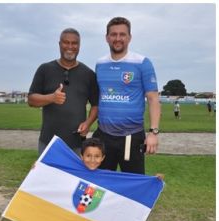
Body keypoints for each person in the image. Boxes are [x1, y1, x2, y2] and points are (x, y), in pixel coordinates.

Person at [94, 17, 160, 174]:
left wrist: (153, 133)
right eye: (113, 34)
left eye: (122, 34)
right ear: (107, 38)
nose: (118, 38)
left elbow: (153, 99)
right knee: (100, 185)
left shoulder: (143, 62)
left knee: (132, 186)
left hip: (132, 136)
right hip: (104, 136)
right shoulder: (100, 64)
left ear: (129, 37)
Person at [28, 28, 99, 154]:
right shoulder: (45, 69)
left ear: (79, 46)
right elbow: (31, 100)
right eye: (66, 42)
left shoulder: (89, 74)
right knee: (47, 174)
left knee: (73, 174)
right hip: (48, 143)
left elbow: (96, 105)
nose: (70, 46)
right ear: (59, 44)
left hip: (77, 144)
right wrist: (51, 98)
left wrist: (88, 123)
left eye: (74, 43)